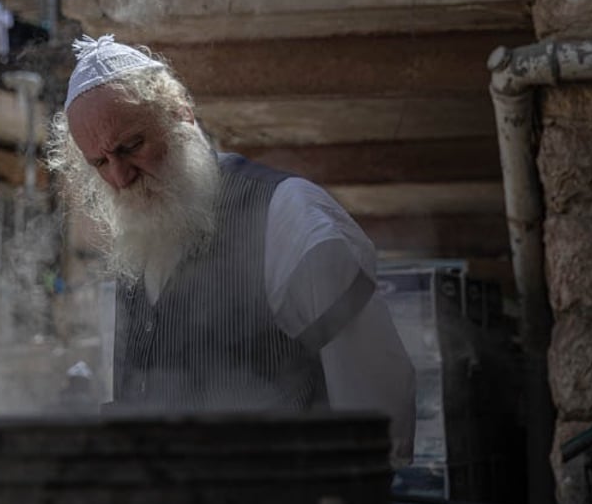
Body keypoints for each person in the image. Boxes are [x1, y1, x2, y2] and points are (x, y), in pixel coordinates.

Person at [46, 35, 416, 465]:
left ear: (178, 114)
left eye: (131, 147)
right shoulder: (139, 245)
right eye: (100, 163)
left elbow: (378, 395)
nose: (120, 176)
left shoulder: (285, 212)